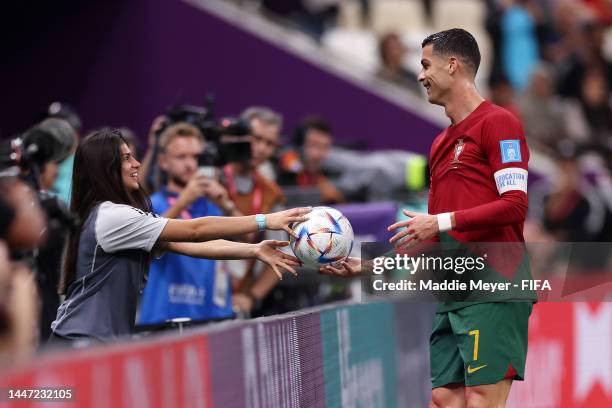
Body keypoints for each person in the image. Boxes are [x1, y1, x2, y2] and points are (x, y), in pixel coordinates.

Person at [322, 29, 532, 408]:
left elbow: (515, 204)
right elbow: (433, 235)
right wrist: (372, 267)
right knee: (442, 399)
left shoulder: (500, 123)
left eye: (425, 65)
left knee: (481, 398)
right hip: (455, 288)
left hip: (495, 283)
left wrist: (441, 222)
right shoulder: (439, 144)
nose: (419, 76)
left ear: (453, 65)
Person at [49, 129, 309, 343]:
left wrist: (253, 250)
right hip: (79, 341)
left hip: (99, 343)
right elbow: (194, 230)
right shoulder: (112, 216)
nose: (137, 164)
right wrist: (265, 220)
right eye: (127, 158)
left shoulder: (115, 215)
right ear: (107, 168)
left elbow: (191, 244)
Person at [138, 123, 239, 326]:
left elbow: (249, 238)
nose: (190, 165)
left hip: (214, 313)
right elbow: (151, 238)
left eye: (195, 157)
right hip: (165, 316)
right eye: (181, 157)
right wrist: (184, 201)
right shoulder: (152, 203)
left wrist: (227, 205)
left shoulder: (214, 204)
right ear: (164, 161)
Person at [278, 116, 344, 204]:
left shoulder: (326, 176)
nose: (319, 154)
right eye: (314, 145)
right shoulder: (280, 169)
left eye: (325, 147)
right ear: (299, 146)